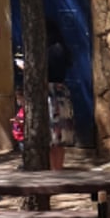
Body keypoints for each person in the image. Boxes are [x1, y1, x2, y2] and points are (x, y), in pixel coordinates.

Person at [45, 20, 75, 169]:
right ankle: (59, 168)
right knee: (61, 136)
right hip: (62, 92)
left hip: (51, 94)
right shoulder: (62, 49)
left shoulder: (50, 51)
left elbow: (45, 71)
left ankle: (53, 169)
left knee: (53, 135)